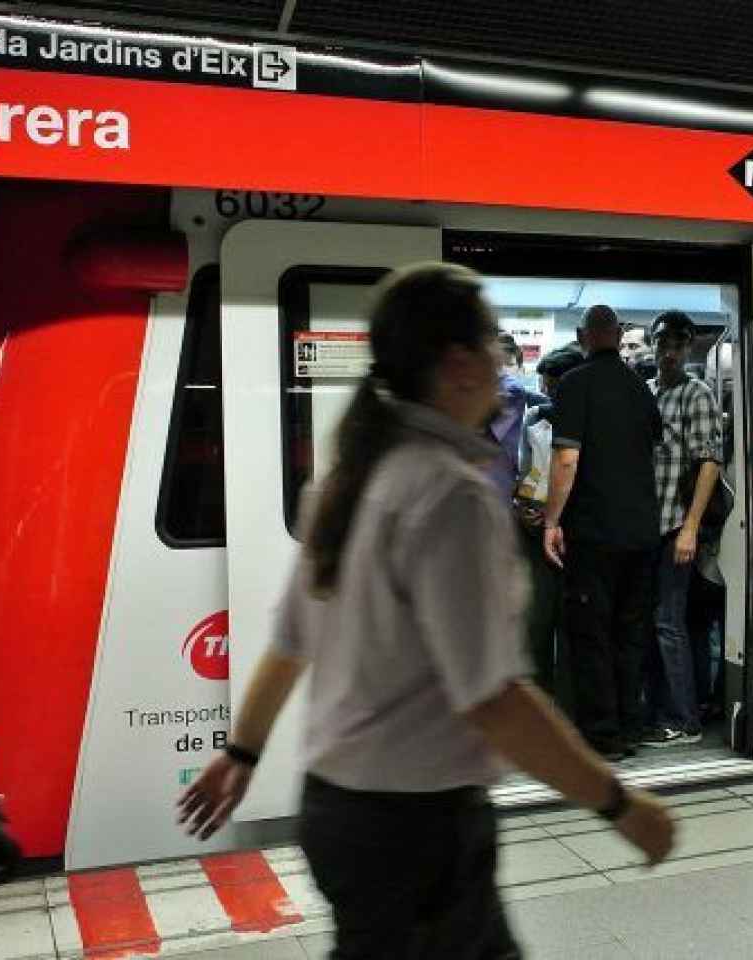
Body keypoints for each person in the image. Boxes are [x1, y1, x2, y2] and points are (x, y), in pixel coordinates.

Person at [176, 264, 674, 959]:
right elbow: (493, 699)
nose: (504, 367)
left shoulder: (348, 479)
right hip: (416, 826)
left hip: (337, 810)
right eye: (494, 349)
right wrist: (619, 804)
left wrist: (242, 752)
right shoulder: (452, 496)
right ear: (461, 364)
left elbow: (290, 643)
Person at [543, 305, 662, 761]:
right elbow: (654, 441)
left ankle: (603, 735)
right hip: (642, 533)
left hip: (595, 533)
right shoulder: (639, 386)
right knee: (630, 632)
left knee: (591, 633)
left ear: (583, 336)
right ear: (617, 334)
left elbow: (566, 460)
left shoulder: (574, 384)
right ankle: (631, 727)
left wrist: (552, 521)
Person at [640, 312, 723, 747]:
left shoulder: (698, 395)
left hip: (676, 524)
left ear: (688, 348)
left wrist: (690, 527)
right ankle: (661, 710)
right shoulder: (649, 392)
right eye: (662, 343)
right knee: (659, 623)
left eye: (677, 344)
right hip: (649, 525)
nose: (668, 351)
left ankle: (684, 720)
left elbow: (709, 462)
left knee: (668, 622)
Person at [516, 344, 585, 704]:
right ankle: (541, 703)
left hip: (575, 532)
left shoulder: (590, 421)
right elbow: (526, 470)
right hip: (534, 528)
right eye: (545, 386)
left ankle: (570, 706)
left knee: (573, 624)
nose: (547, 394)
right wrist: (523, 505)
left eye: (553, 386)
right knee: (538, 622)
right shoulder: (535, 418)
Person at [483, 333, 547, 502]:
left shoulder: (517, 392)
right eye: (499, 364)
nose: (504, 371)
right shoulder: (501, 393)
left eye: (509, 364)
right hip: (495, 483)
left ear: (521, 368)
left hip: (515, 484)